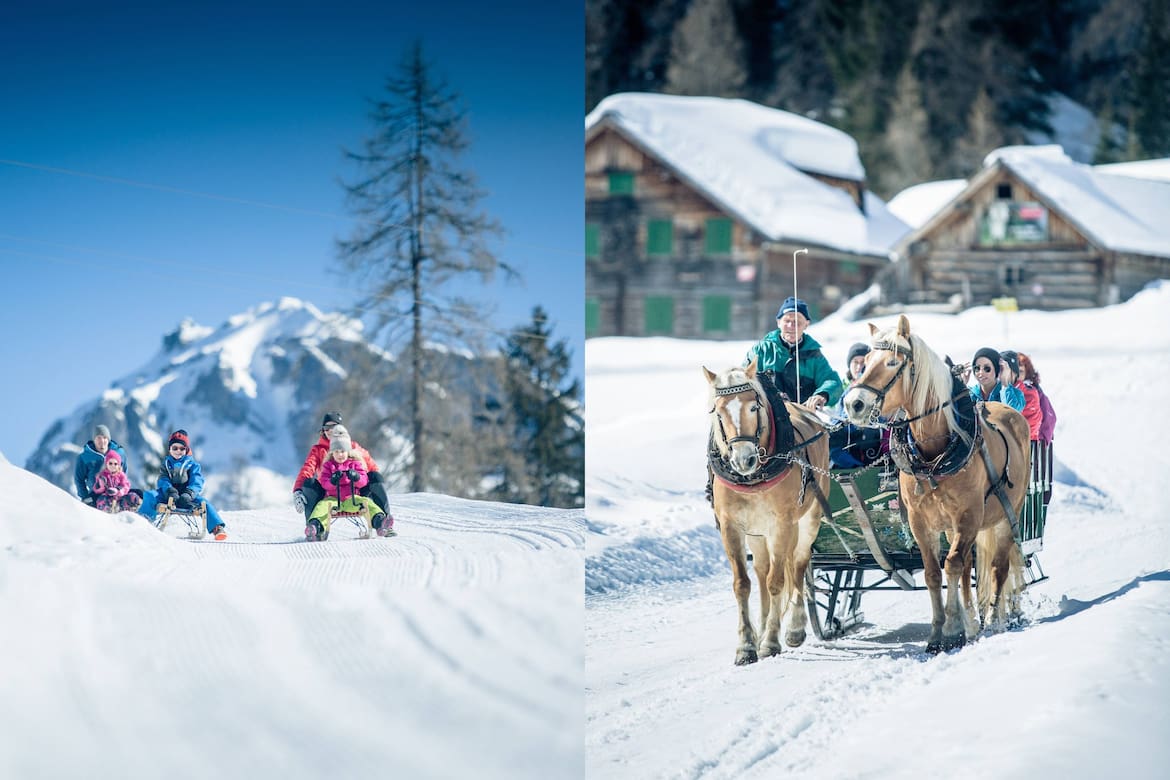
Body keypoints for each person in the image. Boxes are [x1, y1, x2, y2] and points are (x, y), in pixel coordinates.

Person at [292, 411, 394, 535]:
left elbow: (372, 467)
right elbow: (307, 469)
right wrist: (298, 490)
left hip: (355, 492)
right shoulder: (318, 450)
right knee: (310, 483)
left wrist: (358, 478)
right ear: (323, 430)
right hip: (329, 493)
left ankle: (383, 523)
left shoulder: (352, 448)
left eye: (333, 426)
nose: (330, 430)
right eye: (326, 427)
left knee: (375, 477)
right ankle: (315, 529)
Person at [743, 296, 843, 412]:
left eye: (797, 322)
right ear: (778, 322)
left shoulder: (814, 355)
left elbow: (832, 381)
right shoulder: (761, 350)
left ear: (806, 324)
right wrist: (771, 395)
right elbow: (745, 378)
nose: (791, 326)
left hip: (803, 418)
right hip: (767, 416)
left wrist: (822, 395)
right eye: (787, 321)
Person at [137, 430, 227, 540]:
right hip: (168, 495)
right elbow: (163, 479)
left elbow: (197, 480)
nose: (178, 451)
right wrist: (169, 490)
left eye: (182, 448)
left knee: (204, 504)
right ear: (169, 449)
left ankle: (217, 528)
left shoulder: (192, 464)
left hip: (187, 497)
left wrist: (189, 493)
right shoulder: (166, 464)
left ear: (186, 449)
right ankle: (143, 521)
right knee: (150, 495)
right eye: (175, 448)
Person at [828, 342, 889, 468]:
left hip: (878, 448)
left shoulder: (881, 391)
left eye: (864, 363)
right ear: (849, 365)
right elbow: (836, 420)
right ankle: (854, 467)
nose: (859, 366)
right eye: (856, 362)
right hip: (851, 449)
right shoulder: (845, 393)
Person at [1017, 352, 1057, 511]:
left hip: (1034, 444)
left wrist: (1039, 440)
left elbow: (1046, 420)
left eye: (1021, 369)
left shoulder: (1033, 392)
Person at [74, 424, 127, 506]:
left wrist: (120, 488)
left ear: (108, 439)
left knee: (136, 495)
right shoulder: (85, 457)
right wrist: (85, 496)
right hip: (96, 495)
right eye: (99, 438)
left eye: (105, 438)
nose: (102, 441)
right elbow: (79, 479)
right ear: (94, 439)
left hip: (116, 492)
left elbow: (124, 471)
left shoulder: (119, 452)